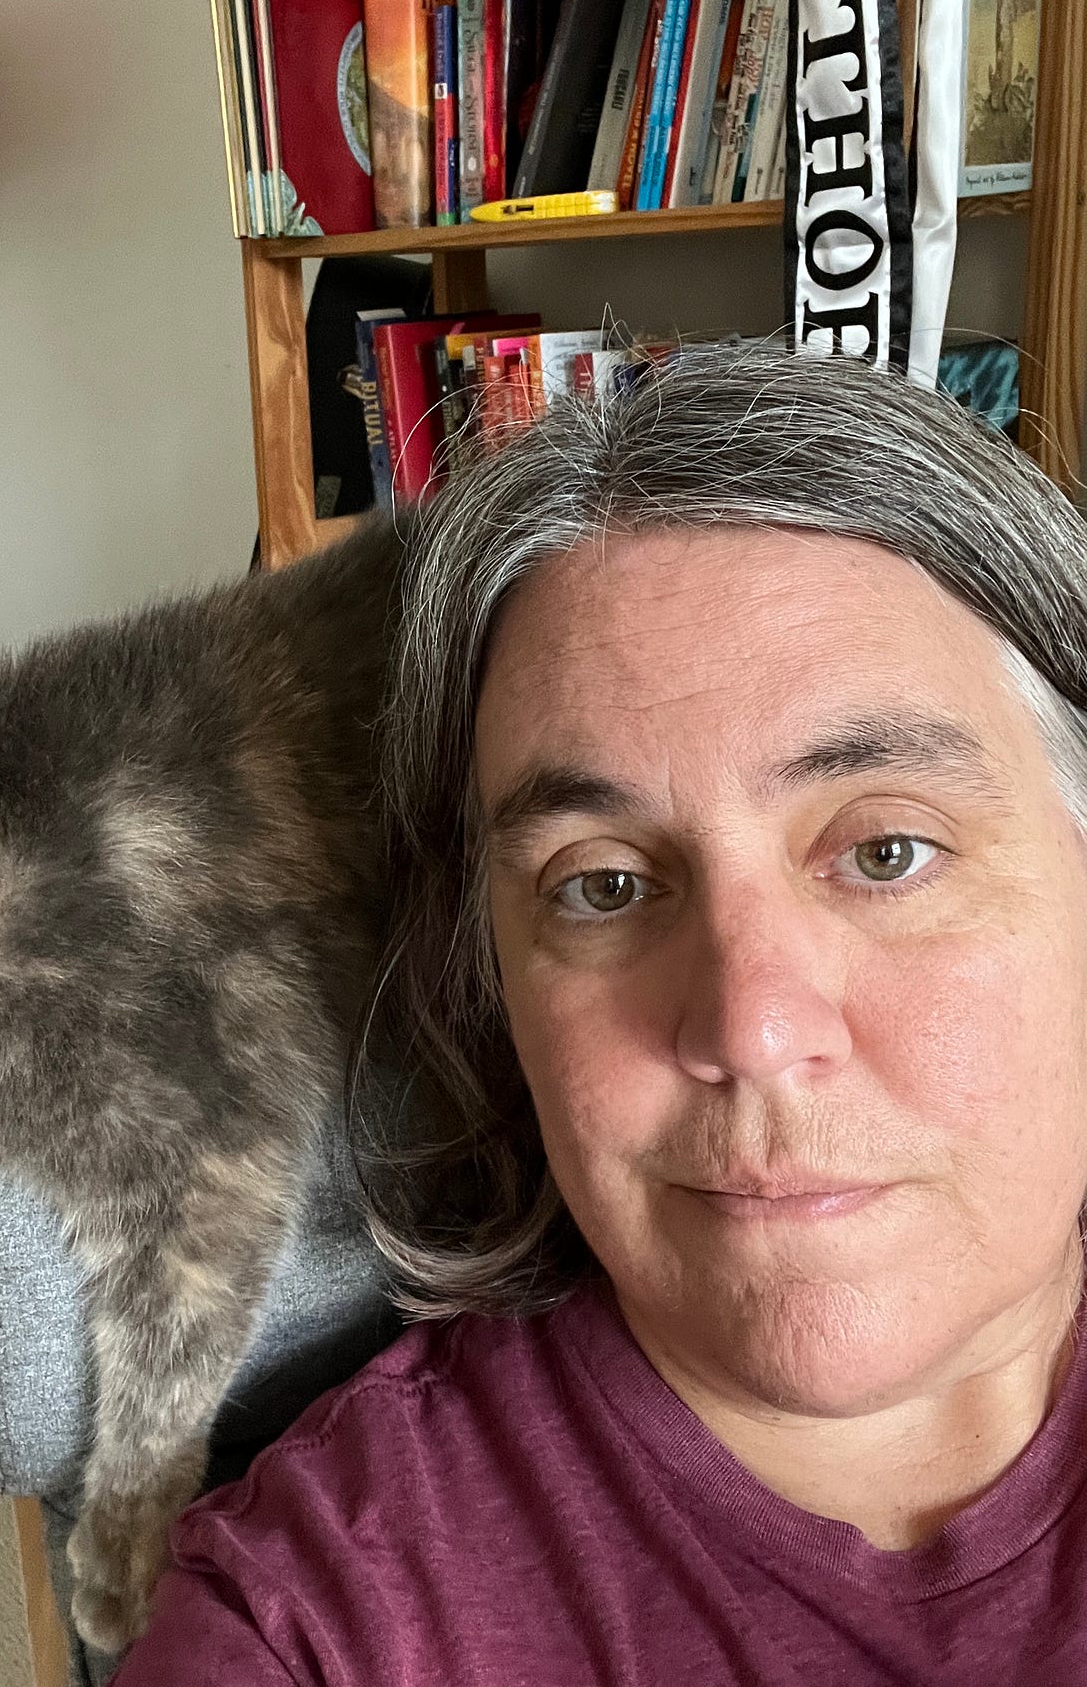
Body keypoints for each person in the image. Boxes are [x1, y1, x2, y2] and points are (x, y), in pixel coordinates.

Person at [115, 350, 1087, 1684]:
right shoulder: (320, 1625)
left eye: (885, 852)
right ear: (492, 981)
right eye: (606, 884)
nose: (748, 1024)